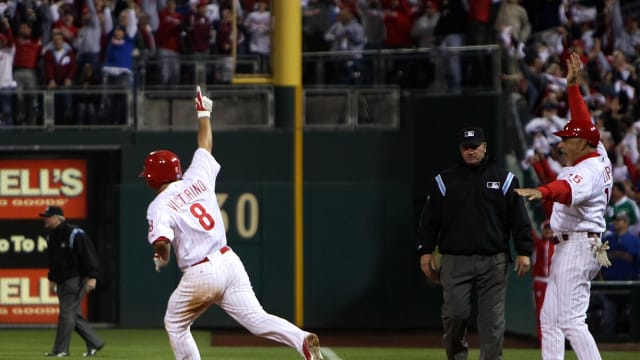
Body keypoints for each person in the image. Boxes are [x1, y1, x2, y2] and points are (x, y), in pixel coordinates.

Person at [139, 86, 324, 360]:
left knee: (175, 323)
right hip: (228, 261)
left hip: (200, 271)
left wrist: (160, 256)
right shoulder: (196, 178)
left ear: (153, 177)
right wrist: (204, 113)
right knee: (257, 319)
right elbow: (205, 144)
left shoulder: (159, 204)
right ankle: (301, 340)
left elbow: (163, 242)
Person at [514, 52, 614, 360]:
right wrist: (572, 88)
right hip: (574, 242)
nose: (561, 143)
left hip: (579, 247)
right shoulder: (594, 149)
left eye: (567, 140)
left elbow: (566, 190)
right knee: (550, 320)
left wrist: (542, 191)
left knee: (571, 320)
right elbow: (583, 122)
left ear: (581, 144)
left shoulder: (589, 170)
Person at [417, 126, 533, 360]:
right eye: (465, 147)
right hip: (455, 261)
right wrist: (426, 250)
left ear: (484, 147)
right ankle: (457, 356)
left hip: (494, 260)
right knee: (455, 315)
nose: (470, 151)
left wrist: (523, 251)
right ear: (460, 149)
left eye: (475, 147)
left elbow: (519, 219)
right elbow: (429, 220)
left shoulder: (505, 179)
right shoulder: (445, 181)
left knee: (492, 321)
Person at [40, 205, 105, 357]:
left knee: (66, 314)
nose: (44, 219)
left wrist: (92, 276)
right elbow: (54, 261)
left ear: (57, 218)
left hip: (75, 278)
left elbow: (88, 254)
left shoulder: (74, 232)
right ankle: (94, 343)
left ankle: (61, 349)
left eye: (47, 216)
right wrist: (52, 279)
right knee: (73, 314)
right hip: (62, 280)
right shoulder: (52, 236)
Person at [531, 220, 555, 347]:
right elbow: (530, 230)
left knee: (555, 313)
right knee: (540, 313)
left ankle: (554, 342)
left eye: (550, 229)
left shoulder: (558, 244)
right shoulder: (538, 243)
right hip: (540, 282)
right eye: (546, 229)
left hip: (554, 283)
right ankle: (542, 342)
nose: (548, 231)